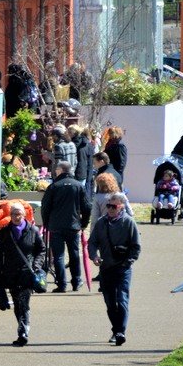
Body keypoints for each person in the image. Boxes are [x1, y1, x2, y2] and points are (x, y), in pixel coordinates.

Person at [0, 202, 45, 347]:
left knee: (23, 302)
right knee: (17, 303)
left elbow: (41, 250)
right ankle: (22, 328)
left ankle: (23, 332)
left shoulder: (33, 230)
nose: (16, 217)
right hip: (11, 273)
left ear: (24, 215)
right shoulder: (5, 232)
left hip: (27, 273)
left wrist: (36, 265)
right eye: (13, 214)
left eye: (18, 214)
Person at [87, 192, 141, 346]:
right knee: (110, 302)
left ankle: (120, 332)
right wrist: (94, 257)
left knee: (121, 299)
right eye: (108, 206)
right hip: (106, 268)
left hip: (123, 269)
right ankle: (116, 329)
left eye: (114, 206)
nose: (110, 209)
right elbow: (92, 242)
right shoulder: (101, 223)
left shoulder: (129, 222)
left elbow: (136, 246)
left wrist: (128, 262)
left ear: (121, 207)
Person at [40, 160, 91, 293]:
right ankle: (76, 281)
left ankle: (62, 284)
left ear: (61, 170)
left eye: (56, 169)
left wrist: (46, 223)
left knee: (58, 256)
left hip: (56, 226)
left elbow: (45, 207)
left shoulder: (54, 186)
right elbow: (87, 207)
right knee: (74, 253)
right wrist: (84, 223)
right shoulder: (78, 185)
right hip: (73, 225)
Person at [68, 124, 94, 194]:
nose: (67, 134)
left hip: (72, 173)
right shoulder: (87, 144)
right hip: (82, 173)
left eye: (69, 132)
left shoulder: (71, 144)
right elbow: (90, 163)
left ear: (74, 133)